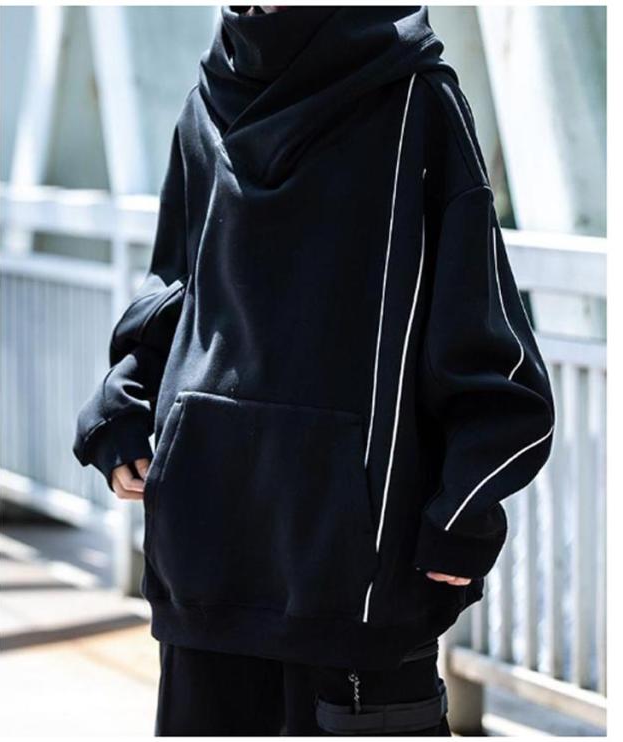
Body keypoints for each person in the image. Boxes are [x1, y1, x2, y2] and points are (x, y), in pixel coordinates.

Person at [73, 5, 555, 736]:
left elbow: (479, 321)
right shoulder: (206, 101)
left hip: (355, 585)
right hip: (210, 562)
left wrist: (463, 506)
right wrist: (124, 414)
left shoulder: (415, 100)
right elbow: (177, 290)